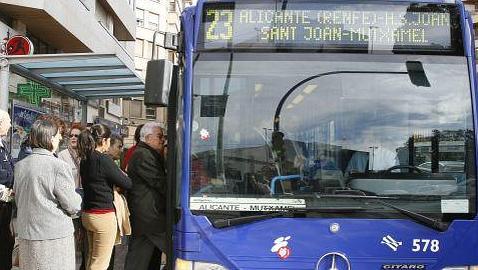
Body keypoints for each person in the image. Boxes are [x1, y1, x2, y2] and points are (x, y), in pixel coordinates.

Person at [14, 119, 82, 270]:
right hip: (54, 237)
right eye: (58, 135)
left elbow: (18, 199)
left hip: (27, 234)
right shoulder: (58, 166)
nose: (59, 138)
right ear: (50, 139)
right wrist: (78, 197)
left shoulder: (20, 166)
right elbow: (73, 204)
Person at [78, 124, 132, 270]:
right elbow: (127, 183)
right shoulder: (104, 160)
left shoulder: (85, 158)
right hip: (103, 216)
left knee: (91, 259)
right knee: (100, 264)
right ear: (105, 141)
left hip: (87, 215)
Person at [124, 122, 167, 270]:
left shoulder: (147, 153)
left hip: (149, 218)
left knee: (147, 259)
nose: (163, 140)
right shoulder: (143, 154)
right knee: (139, 261)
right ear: (148, 138)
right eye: (160, 136)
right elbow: (159, 182)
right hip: (149, 219)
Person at [0, 109, 14, 270]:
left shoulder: (3, 145)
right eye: (7, 121)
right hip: (2, 202)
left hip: (6, 206)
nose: (10, 124)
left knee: (6, 243)